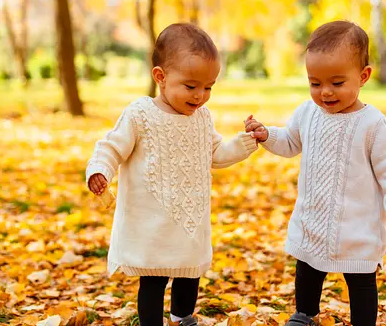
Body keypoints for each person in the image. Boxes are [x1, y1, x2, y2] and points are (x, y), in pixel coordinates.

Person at [245, 20, 386, 326]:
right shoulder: (307, 113)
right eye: (315, 83)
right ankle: (304, 314)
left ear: (363, 77)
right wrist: (266, 134)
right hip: (314, 217)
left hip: (357, 224)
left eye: (337, 83)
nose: (325, 92)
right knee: (307, 267)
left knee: (360, 278)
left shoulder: (372, 123)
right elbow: (289, 142)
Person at [87, 23, 258, 326]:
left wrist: (245, 142)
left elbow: (216, 154)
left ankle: (182, 317)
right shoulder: (140, 114)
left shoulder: (202, 118)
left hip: (189, 217)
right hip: (151, 222)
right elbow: (112, 147)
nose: (200, 96)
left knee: (188, 272)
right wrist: (100, 169)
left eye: (208, 87)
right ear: (161, 78)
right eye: (190, 87)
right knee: (154, 279)